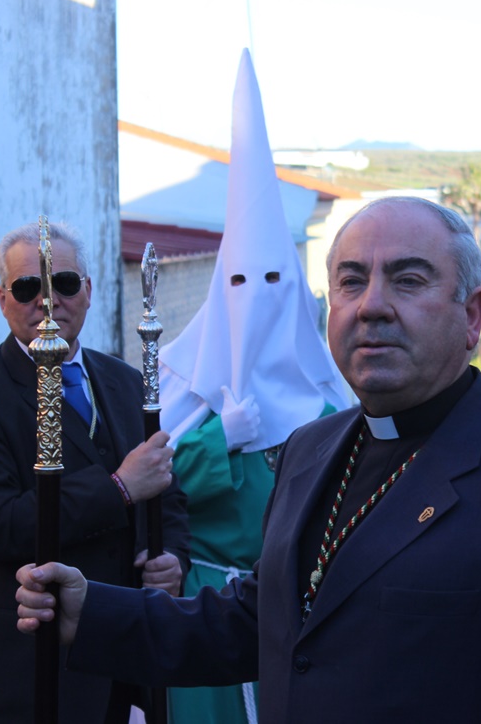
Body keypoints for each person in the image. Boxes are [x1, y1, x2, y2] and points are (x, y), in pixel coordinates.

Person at [17, 196, 481, 723]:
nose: (372, 304)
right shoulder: (311, 449)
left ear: (472, 315)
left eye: (408, 279)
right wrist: (93, 611)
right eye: (351, 280)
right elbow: (258, 624)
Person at [0, 221, 191, 724]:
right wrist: (117, 488)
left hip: (119, 652)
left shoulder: (123, 380)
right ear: (4, 299)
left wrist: (171, 557)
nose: (48, 302)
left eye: (64, 284)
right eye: (29, 288)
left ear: (89, 292)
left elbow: (166, 490)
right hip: (22, 665)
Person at [157, 49, 348, 724]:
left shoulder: (336, 405)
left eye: (273, 282)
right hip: (207, 606)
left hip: (300, 610)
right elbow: (155, 490)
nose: (257, 300)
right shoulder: (183, 385)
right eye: (239, 283)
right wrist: (217, 438)